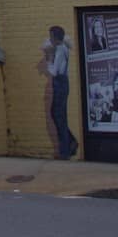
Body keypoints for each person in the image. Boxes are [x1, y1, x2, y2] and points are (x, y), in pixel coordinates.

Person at [47, 25, 77, 159]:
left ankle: (65, 150)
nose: (49, 39)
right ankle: (70, 142)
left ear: (55, 37)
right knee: (56, 114)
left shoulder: (59, 51)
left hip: (60, 83)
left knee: (59, 116)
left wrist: (48, 60)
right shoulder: (64, 48)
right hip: (63, 83)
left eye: (51, 36)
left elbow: (54, 71)